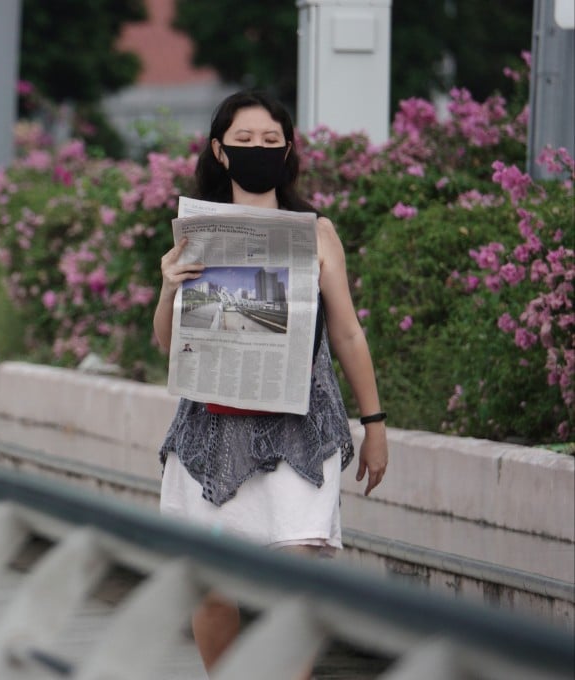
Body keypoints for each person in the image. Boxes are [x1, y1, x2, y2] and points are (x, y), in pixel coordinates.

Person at [152, 90, 389, 674]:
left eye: (269, 141)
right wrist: (168, 287)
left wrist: (375, 424)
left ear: (288, 150)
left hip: (301, 431)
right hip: (212, 431)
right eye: (244, 141)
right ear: (220, 150)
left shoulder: (317, 233)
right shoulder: (196, 233)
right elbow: (166, 344)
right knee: (211, 588)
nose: (258, 150)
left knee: (298, 589)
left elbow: (349, 335)